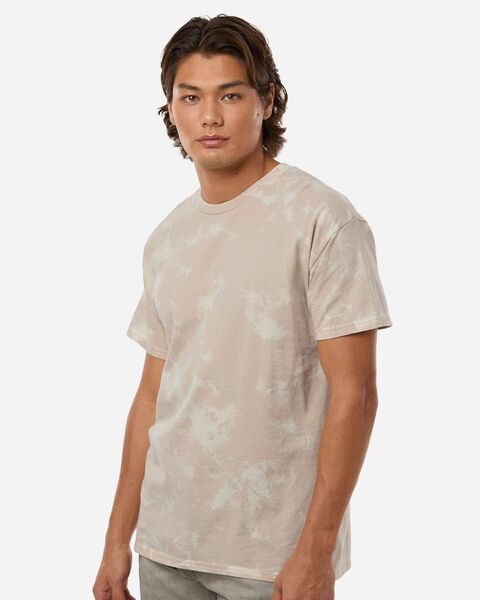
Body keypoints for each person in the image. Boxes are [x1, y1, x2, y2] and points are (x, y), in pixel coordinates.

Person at [93, 13, 393, 600]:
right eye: (190, 97)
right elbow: (152, 397)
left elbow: (356, 393)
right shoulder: (167, 239)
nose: (209, 116)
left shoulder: (322, 220)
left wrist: (316, 551)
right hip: (166, 547)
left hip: (273, 559)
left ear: (267, 101)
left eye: (230, 95)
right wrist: (115, 540)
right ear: (171, 109)